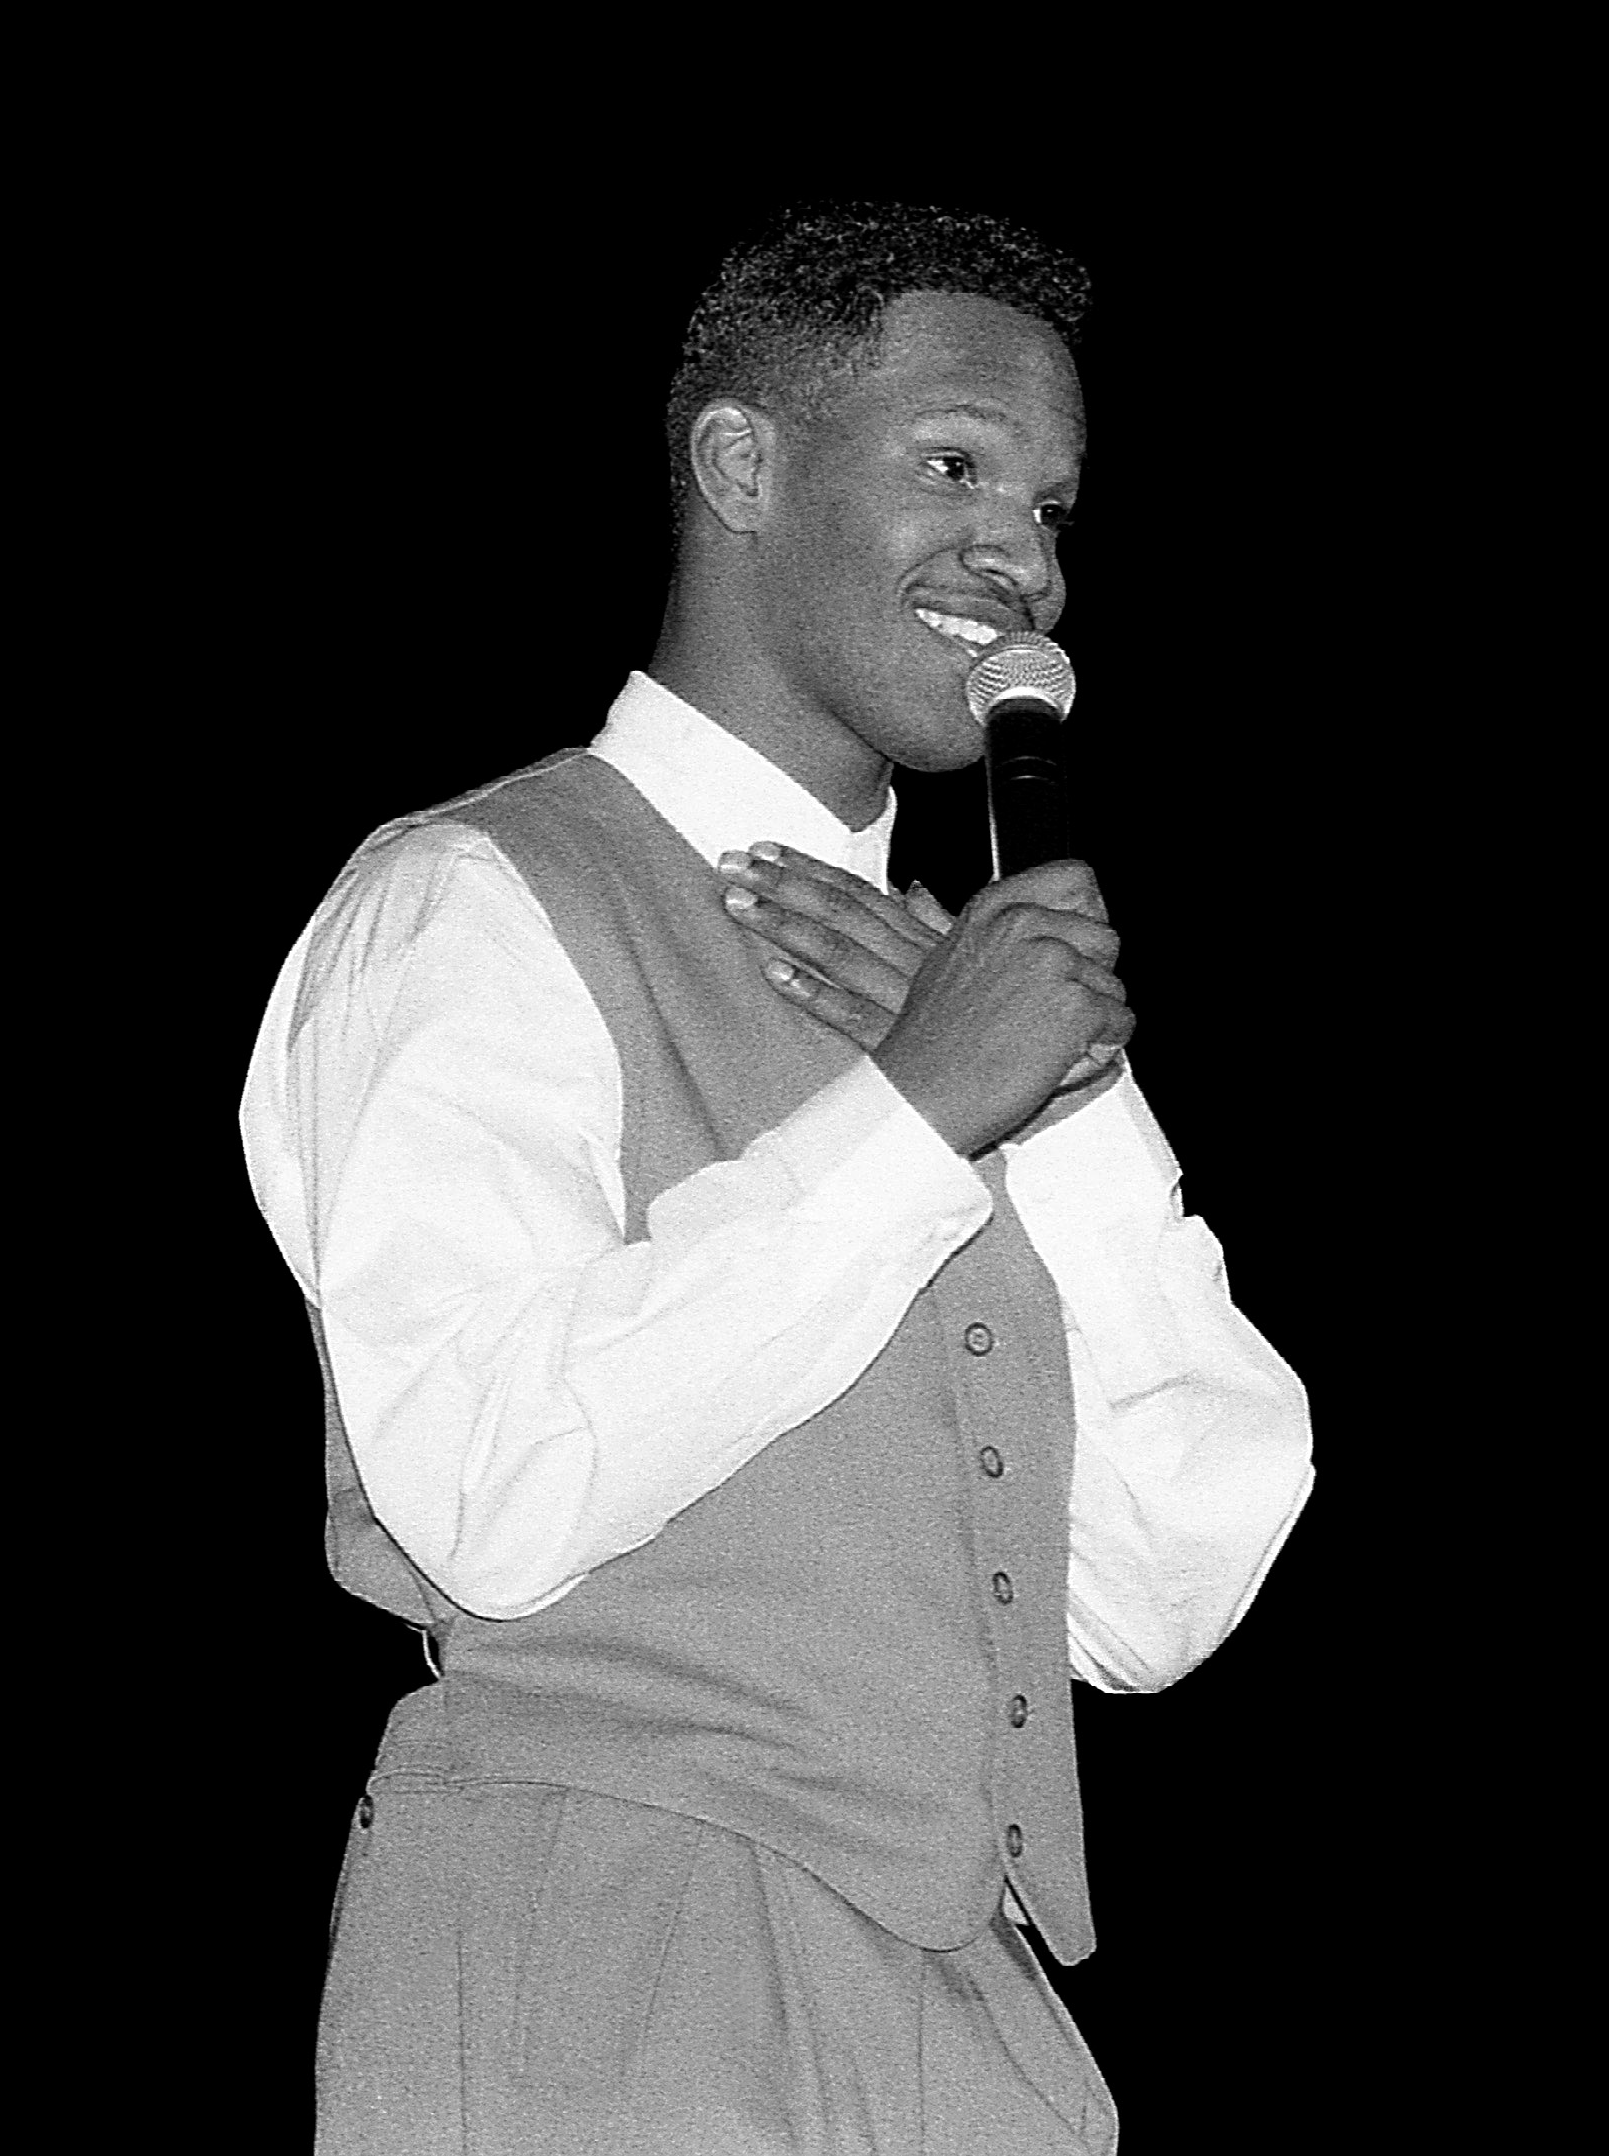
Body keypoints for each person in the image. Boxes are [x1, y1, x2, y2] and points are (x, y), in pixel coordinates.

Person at [239, 200, 1316, 2152]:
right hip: (598, 1957)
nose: (1025, 556)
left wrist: (1065, 1109)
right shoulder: (470, 900)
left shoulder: (946, 999)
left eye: (1058, 506)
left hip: (954, 1994)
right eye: (956, 466)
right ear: (743, 466)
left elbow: (1164, 1591)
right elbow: (486, 1485)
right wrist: (911, 1122)